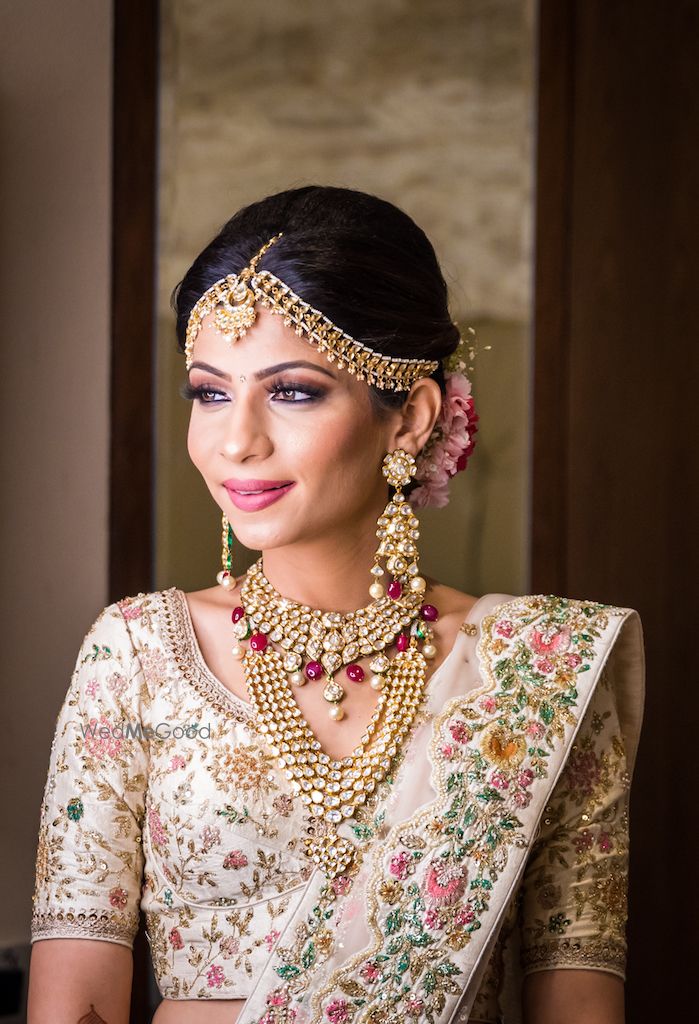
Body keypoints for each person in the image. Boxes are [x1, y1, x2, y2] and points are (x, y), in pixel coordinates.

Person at [27, 186, 644, 1024]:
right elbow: (76, 1006)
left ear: (409, 418)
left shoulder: (535, 670)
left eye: (292, 391)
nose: (236, 440)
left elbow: (576, 1001)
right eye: (209, 393)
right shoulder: (136, 652)